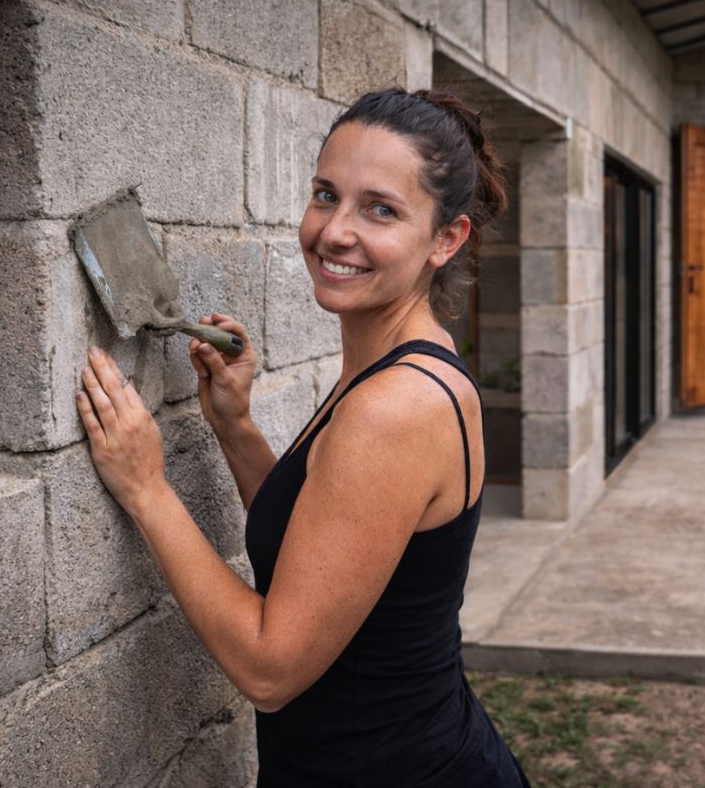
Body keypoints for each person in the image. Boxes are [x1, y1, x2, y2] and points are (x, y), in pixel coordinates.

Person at [75, 87, 530, 787]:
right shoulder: (403, 369)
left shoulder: (393, 408)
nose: (334, 231)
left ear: (447, 238)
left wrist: (147, 488)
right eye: (326, 195)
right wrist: (235, 425)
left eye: (380, 208)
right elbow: (324, 545)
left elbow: (270, 668)